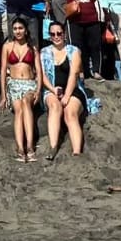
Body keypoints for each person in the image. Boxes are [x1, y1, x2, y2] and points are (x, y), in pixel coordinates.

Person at [39, 22, 89, 159]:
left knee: (70, 113)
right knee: (54, 107)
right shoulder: (44, 52)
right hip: (51, 89)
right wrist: (53, 89)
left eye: (59, 33)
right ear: (49, 36)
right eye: (53, 34)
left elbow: (74, 74)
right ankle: (53, 146)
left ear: (64, 34)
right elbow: (42, 76)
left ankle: (77, 151)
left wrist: (67, 95)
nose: (56, 36)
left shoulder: (74, 51)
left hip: (72, 88)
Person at [60, 0, 107, 79]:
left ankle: (96, 71)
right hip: (75, 21)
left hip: (92, 20)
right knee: (76, 47)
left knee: (95, 46)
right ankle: (79, 70)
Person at [1, 17, 41, 162]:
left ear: (26, 30)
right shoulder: (7, 47)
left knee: (25, 102)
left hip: (29, 83)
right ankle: (20, 148)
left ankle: (30, 146)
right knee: (18, 110)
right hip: (14, 83)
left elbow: (39, 71)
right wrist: (4, 95)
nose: (18, 31)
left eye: (20, 28)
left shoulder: (32, 48)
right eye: (15, 29)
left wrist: (38, 90)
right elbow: (3, 71)